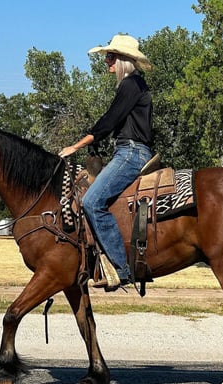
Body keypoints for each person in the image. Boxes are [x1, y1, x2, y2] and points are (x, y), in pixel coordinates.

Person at [59, 34, 154, 290]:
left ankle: (121, 269)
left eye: (110, 57)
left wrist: (76, 146)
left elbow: (109, 121)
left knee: (91, 201)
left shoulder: (130, 85)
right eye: (107, 57)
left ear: (123, 60)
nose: (107, 62)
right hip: (129, 150)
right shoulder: (135, 85)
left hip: (131, 153)